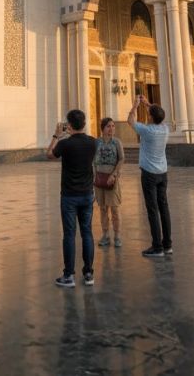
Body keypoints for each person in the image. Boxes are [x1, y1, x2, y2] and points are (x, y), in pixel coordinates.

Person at [48, 109, 98, 288]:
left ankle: (69, 275)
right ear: (84, 123)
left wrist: (56, 135)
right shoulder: (93, 142)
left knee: (69, 235)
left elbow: (49, 155)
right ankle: (89, 273)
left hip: (69, 196)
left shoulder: (65, 144)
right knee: (87, 233)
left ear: (69, 125)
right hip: (87, 194)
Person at [129, 94, 173, 258]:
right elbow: (158, 115)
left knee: (152, 209)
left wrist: (135, 106)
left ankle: (157, 247)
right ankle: (167, 244)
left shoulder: (147, 131)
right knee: (164, 208)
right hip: (163, 173)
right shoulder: (165, 129)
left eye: (149, 114)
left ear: (151, 117)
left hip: (149, 174)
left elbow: (130, 121)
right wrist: (148, 104)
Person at [93, 117, 124, 248]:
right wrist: (94, 174)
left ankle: (117, 235)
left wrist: (114, 174)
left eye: (113, 126)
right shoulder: (97, 142)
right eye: (108, 126)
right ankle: (105, 235)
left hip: (112, 179)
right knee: (103, 208)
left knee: (115, 209)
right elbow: (92, 160)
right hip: (99, 178)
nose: (111, 129)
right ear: (103, 128)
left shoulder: (117, 142)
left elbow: (121, 159)